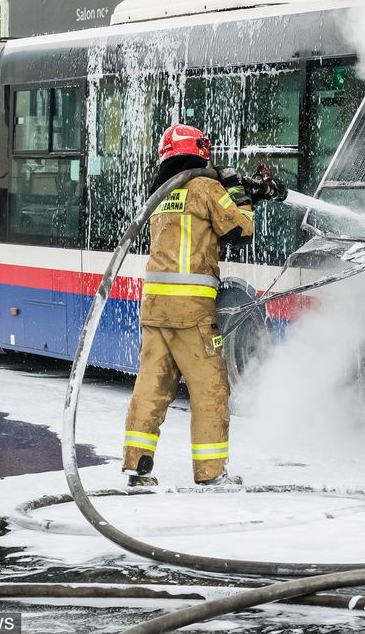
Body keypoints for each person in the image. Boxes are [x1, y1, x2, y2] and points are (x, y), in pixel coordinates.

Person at [120, 123, 280, 487]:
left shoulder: (161, 193)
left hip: (155, 308)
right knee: (210, 389)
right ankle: (210, 473)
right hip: (191, 311)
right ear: (200, 151)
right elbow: (240, 230)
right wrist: (238, 192)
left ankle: (136, 465)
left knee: (151, 387)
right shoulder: (205, 187)